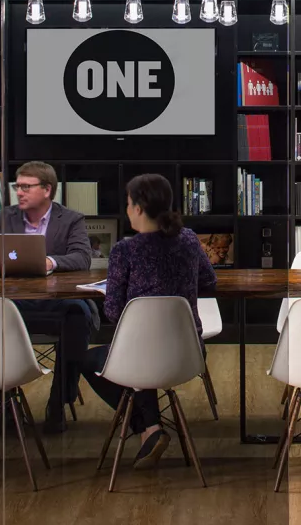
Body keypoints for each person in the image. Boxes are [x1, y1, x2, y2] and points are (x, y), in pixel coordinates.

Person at [81, 174, 217, 470]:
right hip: (189, 354)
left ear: (139, 209)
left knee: (88, 360)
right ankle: (150, 429)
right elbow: (209, 279)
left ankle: (148, 427)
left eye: (128, 204)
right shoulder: (190, 240)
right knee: (143, 358)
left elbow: (114, 312)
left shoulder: (124, 251)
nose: (127, 209)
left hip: (139, 357)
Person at [0, 161, 94, 434]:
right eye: (17, 186)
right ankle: (5, 405)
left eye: (25, 187)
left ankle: (58, 403)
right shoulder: (5, 218)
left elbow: (82, 257)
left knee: (78, 315)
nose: (19, 192)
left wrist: (49, 262)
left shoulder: (71, 219)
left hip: (57, 303)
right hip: (15, 302)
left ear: (47, 190)